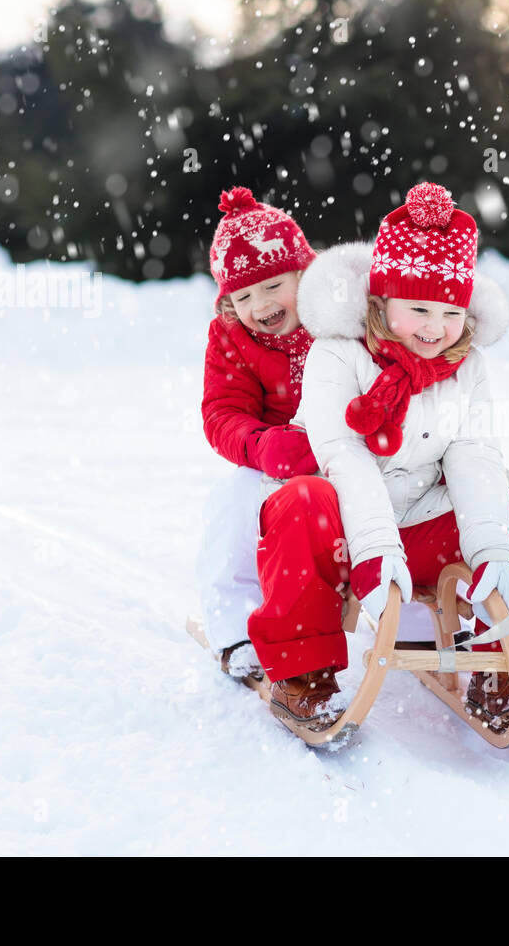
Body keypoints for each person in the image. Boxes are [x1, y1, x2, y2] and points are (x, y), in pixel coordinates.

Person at [248, 182, 509, 734]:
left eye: (450, 311)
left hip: (421, 525)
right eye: (418, 308)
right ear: (381, 302)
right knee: (299, 501)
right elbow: (342, 453)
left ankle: (506, 664)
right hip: (346, 536)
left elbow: (473, 452)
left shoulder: (464, 365)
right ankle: (303, 676)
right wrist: (374, 549)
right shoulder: (336, 353)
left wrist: (491, 543)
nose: (433, 327)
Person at [195, 186, 319, 679]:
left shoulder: (336, 318)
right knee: (236, 503)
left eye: (272, 286)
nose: (260, 305)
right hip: (275, 463)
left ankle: (417, 620)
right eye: (243, 296)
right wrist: (262, 446)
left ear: (303, 275)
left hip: (346, 454)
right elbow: (222, 411)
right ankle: (234, 623)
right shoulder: (231, 337)